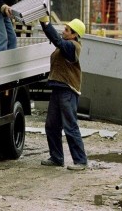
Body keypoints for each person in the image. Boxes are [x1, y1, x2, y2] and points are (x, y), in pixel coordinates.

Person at [39, 16, 88, 171]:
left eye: (67, 30)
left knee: (70, 126)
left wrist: (46, 24)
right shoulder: (65, 45)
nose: (64, 31)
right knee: (51, 125)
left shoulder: (72, 46)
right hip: (58, 89)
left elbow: (57, 41)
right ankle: (57, 157)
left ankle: (80, 161)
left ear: (74, 35)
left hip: (68, 90)